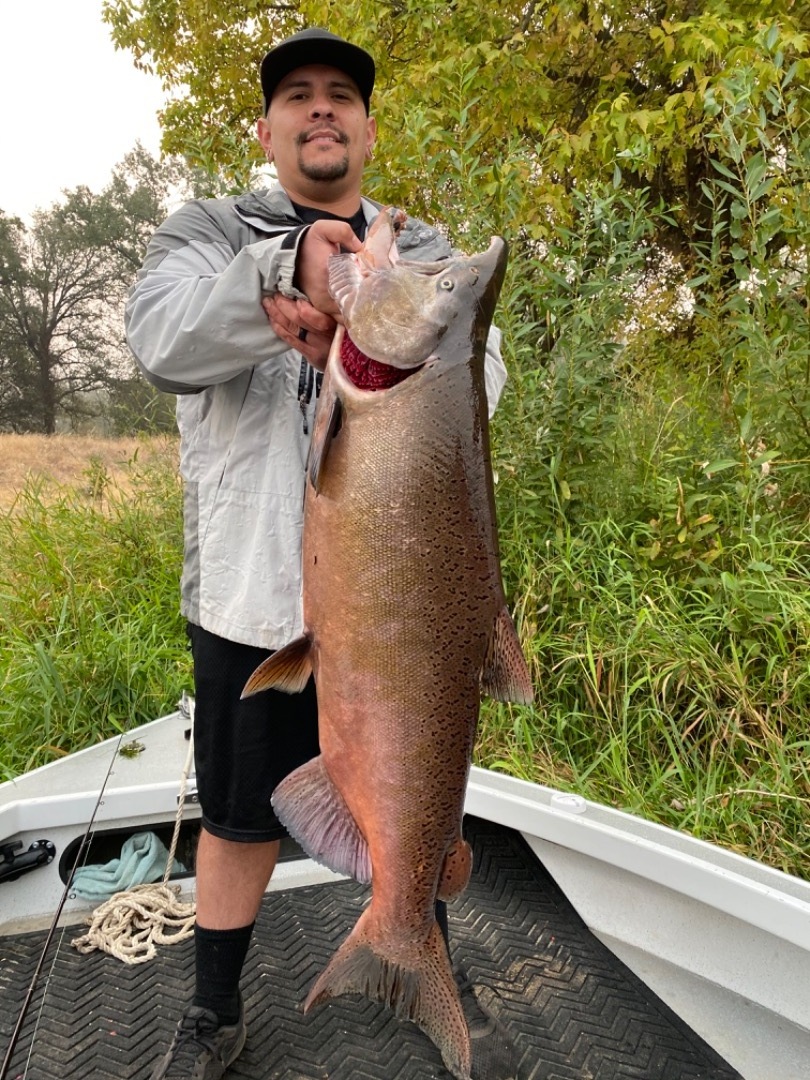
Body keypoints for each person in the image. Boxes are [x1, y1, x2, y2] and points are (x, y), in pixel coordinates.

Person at [127, 27, 516, 1080]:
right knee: (239, 816)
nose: (320, 109)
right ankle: (215, 1011)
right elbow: (158, 342)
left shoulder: (418, 247)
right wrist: (278, 276)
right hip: (257, 609)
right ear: (267, 129)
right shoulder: (205, 234)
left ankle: (419, 942)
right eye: (296, 95)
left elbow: (479, 388)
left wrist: (385, 311)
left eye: (341, 94)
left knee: (415, 785)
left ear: (370, 128)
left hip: (398, 614)